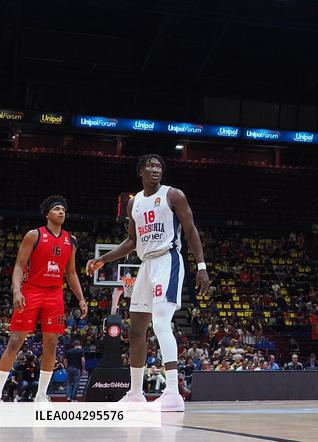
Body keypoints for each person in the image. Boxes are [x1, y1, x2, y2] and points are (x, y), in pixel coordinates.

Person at [86, 155, 211, 412]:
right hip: (146, 264)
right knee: (136, 329)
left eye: (159, 167)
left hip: (168, 260)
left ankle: (173, 394)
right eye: (150, 166)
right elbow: (131, 241)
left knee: (162, 323)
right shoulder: (134, 203)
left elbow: (190, 230)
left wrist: (201, 266)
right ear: (140, 171)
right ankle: (134, 393)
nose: (155, 169)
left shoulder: (173, 195)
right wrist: (103, 260)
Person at [0, 196, 87, 402]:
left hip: (54, 294)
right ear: (47, 214)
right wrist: (16, 291)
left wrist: (81, 298)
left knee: (52, 344)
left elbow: (72, 273)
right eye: (57, 209)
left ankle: (41, 395)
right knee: (15, 341)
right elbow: (19, 265)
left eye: (63, 210)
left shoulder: (71, 240)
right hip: (31, 290)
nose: (61, 212)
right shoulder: (34, 235)